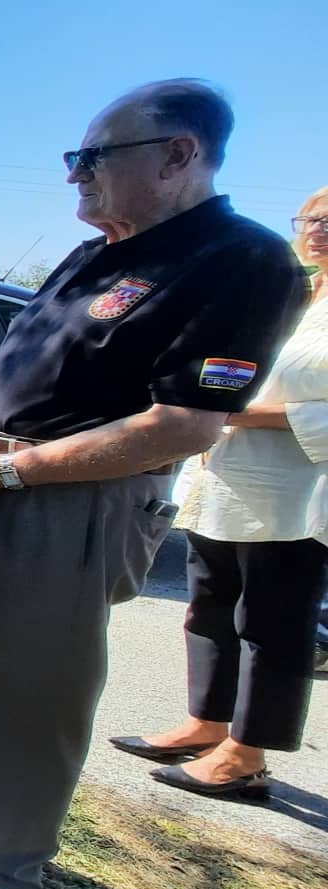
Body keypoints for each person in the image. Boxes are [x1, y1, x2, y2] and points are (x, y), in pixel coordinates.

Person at [0, 80, 308, 889]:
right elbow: (9, 361)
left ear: (178, 155)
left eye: (94, 156)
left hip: (66, 497)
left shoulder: (242, 260)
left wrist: (7, 470)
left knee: (31, 679)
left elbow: (185, 424)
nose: (75, 173)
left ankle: (0, 865)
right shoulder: (95, 252)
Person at [107, 186, 328, 802]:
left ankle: (247, 756)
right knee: (208, 607)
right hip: (223, 475)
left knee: (273, 622)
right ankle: (206, 723)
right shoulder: (292, 293)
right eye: (311, 218)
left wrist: (231, 412)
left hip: (296, 490)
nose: (317, 229)